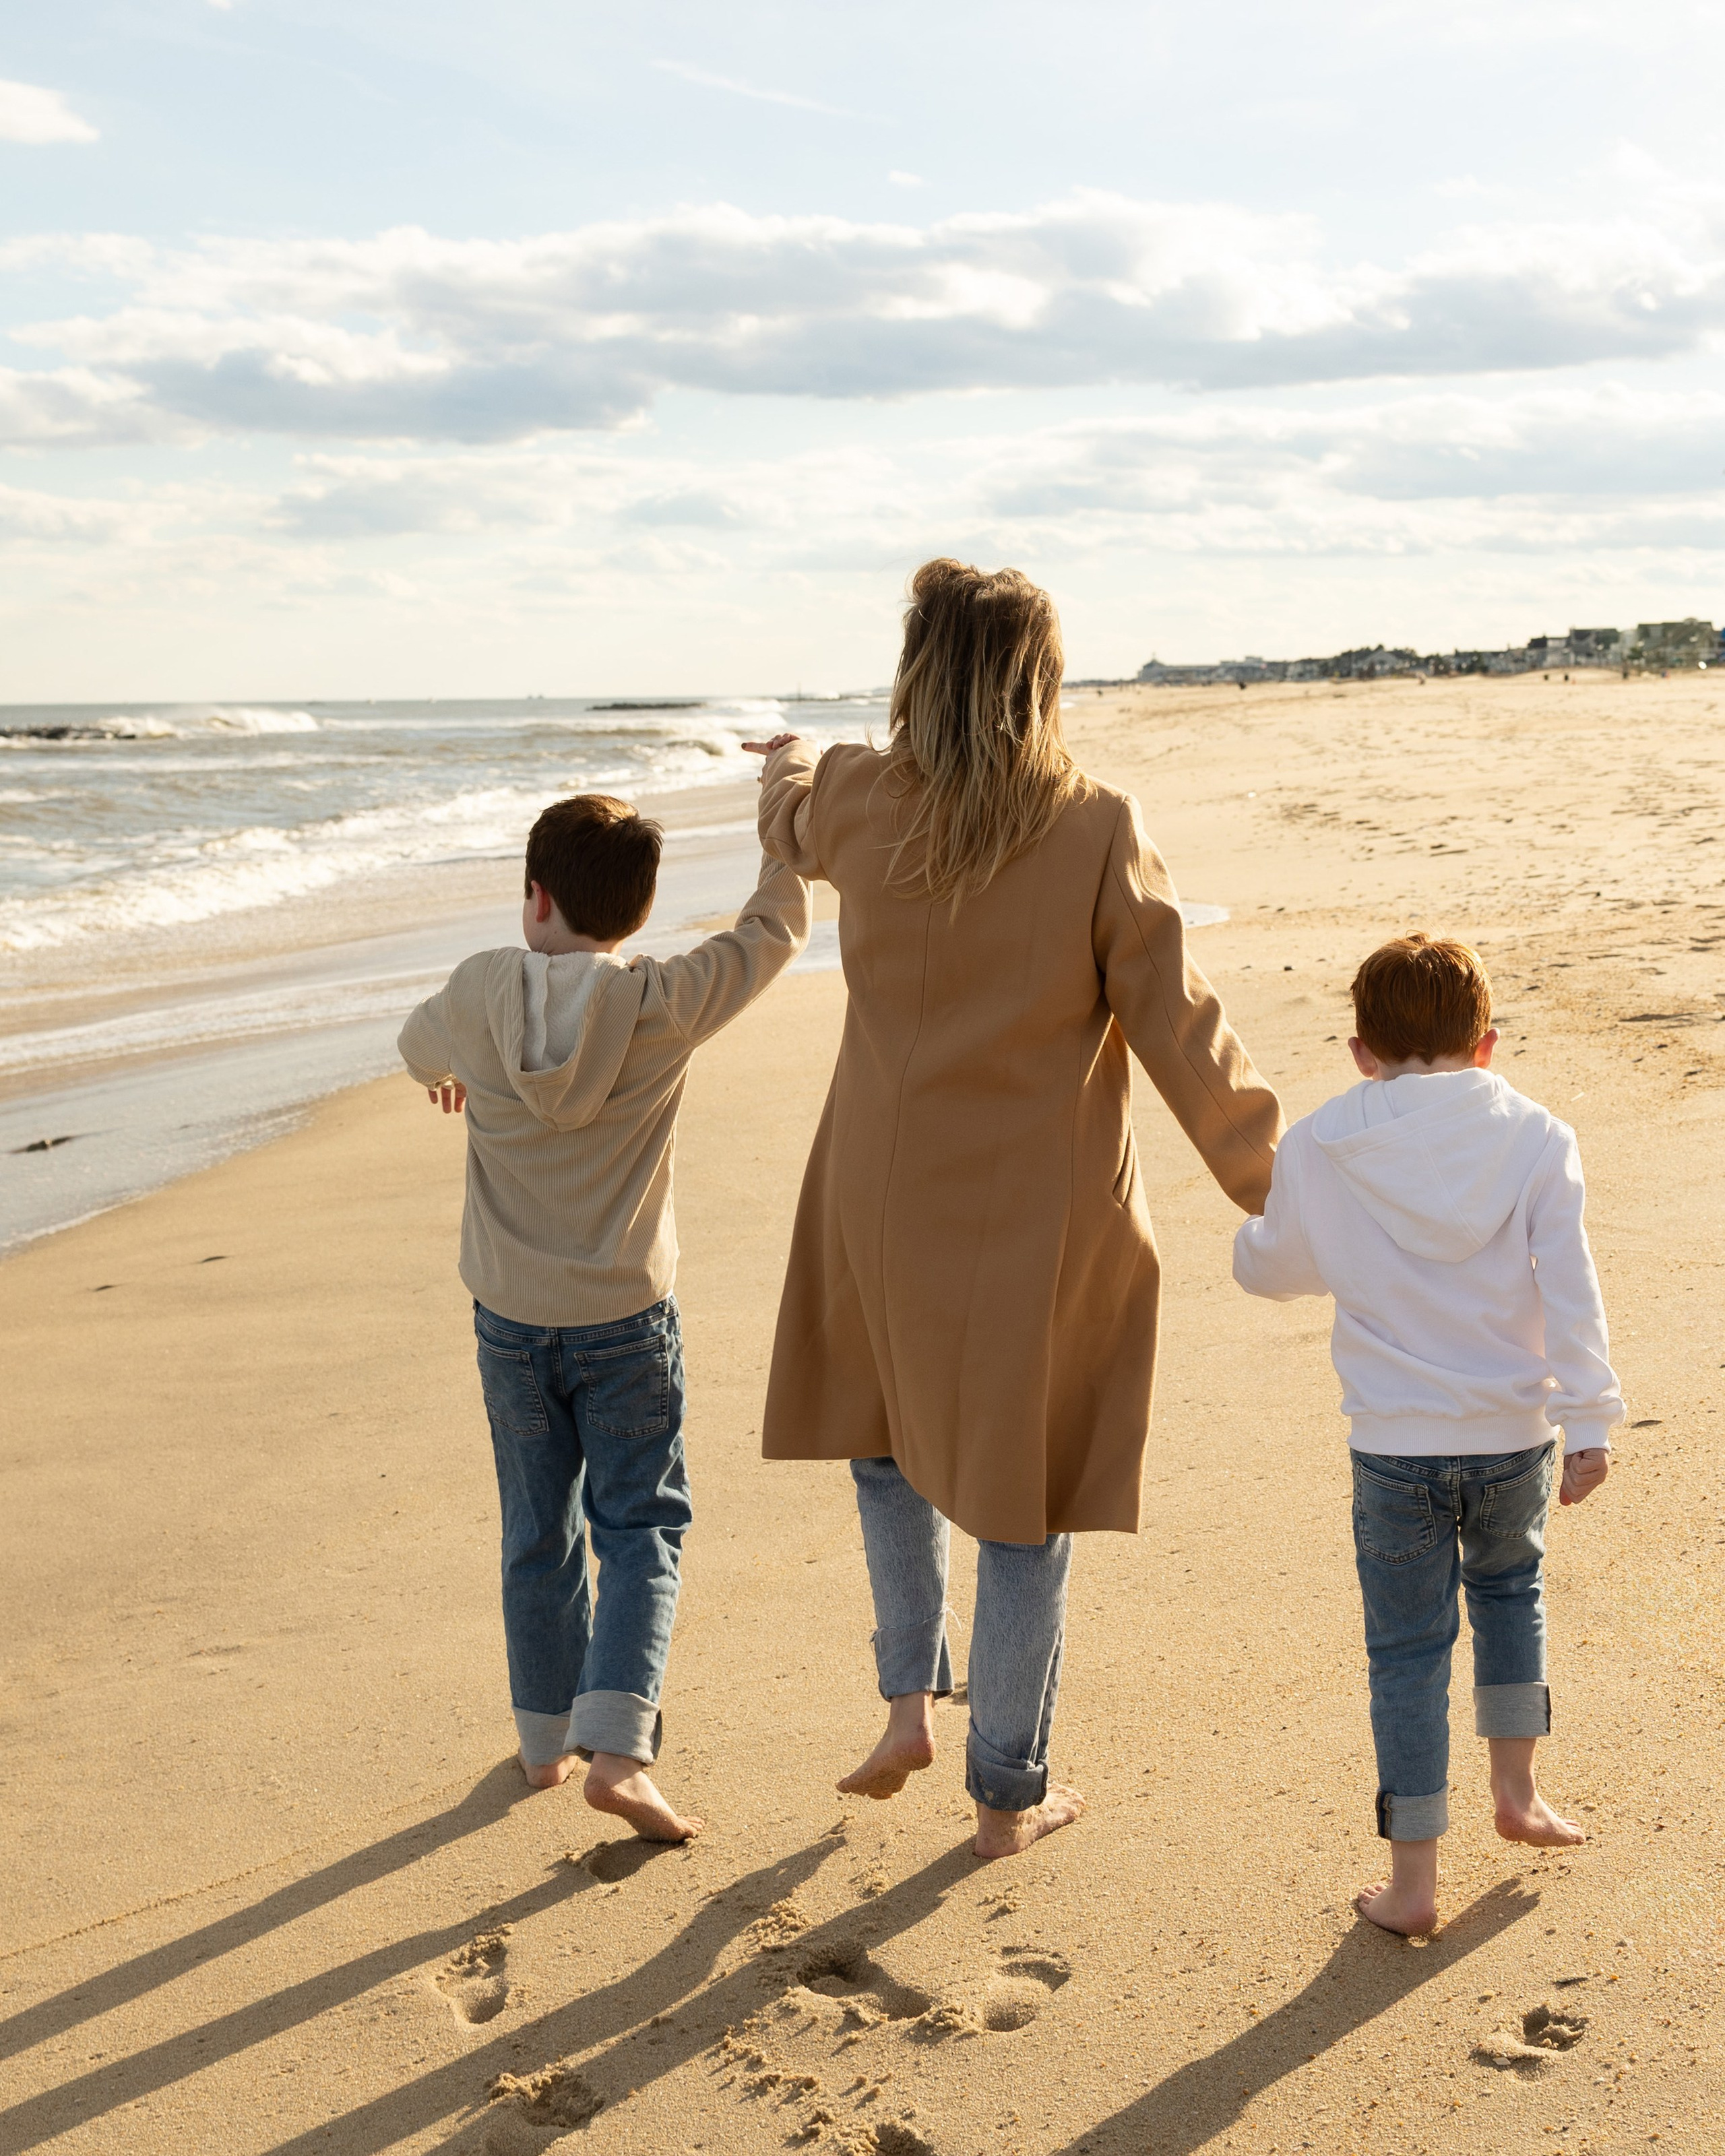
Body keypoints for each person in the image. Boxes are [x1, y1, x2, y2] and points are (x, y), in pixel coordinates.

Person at [744, 559, 1283, 1861]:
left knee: (884, 1440)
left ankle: (907, 1702)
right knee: (1021, 1500)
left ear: (918, 672)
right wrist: (1285, 1187)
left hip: (879, 1188)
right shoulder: (1093, 824)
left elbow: (790, 820)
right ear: (1040, 678)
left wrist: (789, 757)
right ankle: (1006, 1793)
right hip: (1035, 1215)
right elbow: (1179, 1025)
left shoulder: (859, 796)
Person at [398, 794, 809, 1841]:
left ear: (535, 897)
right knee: (641, 1528)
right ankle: (619, 1750)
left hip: (510, 1320)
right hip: (626, 1318)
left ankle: (545, 1744)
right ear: (639, 911)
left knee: (538, 1527)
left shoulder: (478, 991)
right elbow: (773, 932)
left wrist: (453, 1073)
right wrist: (785, 804)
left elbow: (414, 1047)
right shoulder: (662, 1002)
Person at [1232, 932, 1619, 1934]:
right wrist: (1588, 1418)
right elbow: (1570, 1287)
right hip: (1512, 1432)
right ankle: (1518, 1795)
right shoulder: (1537, 1136)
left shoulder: (1320, 1141)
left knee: (1406, 1653)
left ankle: (1411, 1886)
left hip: (1394, 1443)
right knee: (1511, 1596)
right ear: (1485, 1045)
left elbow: (1279, 1266)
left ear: (1361, 1050)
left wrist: (1251, 1242)